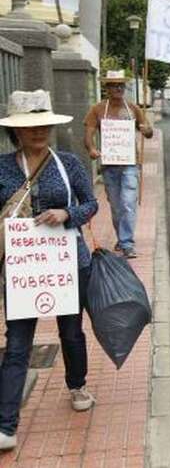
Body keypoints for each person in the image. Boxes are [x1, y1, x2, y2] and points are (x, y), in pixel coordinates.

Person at [0, 90, 99, 450]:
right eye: (30, 127)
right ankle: (6, 424)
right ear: (17, 132)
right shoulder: (2, 167)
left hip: (68, 262)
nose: (38, 132)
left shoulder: (69, 164)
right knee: (17, 344)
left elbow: (91, 204)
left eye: (43, 125)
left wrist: (66, 214)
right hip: (21, 268)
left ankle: (77, 384)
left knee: (71, 332)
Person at [83, 70, 153, 258]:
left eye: (122, 85)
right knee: (116, 206)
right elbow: (88, 133)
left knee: (128, 202)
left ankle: (127, 243)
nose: (119, 88)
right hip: (109, 165)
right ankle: (122, 238)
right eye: (114, 85)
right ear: (107, 88)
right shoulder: (97, 109)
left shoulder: (133, 109)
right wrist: (91, 149)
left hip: (130, 163)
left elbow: (148, 132)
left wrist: (147, 129)